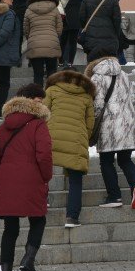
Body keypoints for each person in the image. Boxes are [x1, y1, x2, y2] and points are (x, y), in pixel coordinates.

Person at [0, 83, 52, 271]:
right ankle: (28, 260)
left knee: (10, 229)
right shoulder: (38, 124)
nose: (41, 104)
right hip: (32, 179)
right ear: (32, 101)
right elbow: (44, 155)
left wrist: (1, 179)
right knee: (38, 219)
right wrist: (45, 177)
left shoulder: (4, 125)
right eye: (39, 101)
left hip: (7, 182)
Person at [85, 40, 135, 209]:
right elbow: (133, 99)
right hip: (128, 124)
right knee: (125, 160)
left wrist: (93, 123)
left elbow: (97, 104)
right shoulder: (124, 75)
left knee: (106, 161)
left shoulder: (97, 77)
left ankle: (114, 196)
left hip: (108, 126)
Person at [44, 70, 95, 227]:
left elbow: (44, 112)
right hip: (76, 138)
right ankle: (72, 217)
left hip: (52, 136)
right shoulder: (86, 97)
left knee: (43, 171)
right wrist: (83, 137)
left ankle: (42, 201)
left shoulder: (52, 90)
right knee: (75, 180)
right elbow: (90, 123)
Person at [78, 0, 131, 65]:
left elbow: (81, 18)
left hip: (91, 41)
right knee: (109, 68)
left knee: (92, 67)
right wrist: (115, 35)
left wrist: (88, 28)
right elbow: (117, 20)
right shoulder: (113, 0)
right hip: (109, 42)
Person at [24, 0, 63, 86]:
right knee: (52, 73)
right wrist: (54, 36)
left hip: (35, 45)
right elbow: (59, 28)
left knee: (38, 74)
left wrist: (31, 38)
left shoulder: (29, 10)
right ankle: (51, 97)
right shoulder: (54, 9)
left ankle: (38, 98)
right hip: (52, 44)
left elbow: (26, 30)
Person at [59, 0, 80, 69]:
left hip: (64, 16)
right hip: (76, 17)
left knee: (62, 40)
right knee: (73, 42)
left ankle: (61, 61)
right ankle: (71, 62)